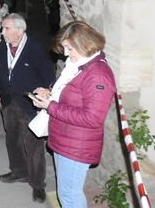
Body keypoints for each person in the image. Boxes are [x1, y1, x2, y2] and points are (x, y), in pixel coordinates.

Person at [31, 21, 116, 208]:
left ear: (84, 43)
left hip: (77, 144)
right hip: (65, 138)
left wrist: (50, 106)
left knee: (69, 195)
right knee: (65, 192)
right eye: (64, 48)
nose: (66, 53)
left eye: (69, 48)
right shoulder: (77, 66)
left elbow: (93, 118)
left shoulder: (98, 75)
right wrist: (49, 93)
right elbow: (68, 93)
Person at [0, 13, 55, 203]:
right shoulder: (3, 46)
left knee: (33, 144)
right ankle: (18, 171)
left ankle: (37, 184)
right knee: (12, 139)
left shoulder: (35, 49)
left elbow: (49, 77)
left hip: (29, 104)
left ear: (19, 30)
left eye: (6, 28)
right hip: (8, 101)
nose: (2, 32)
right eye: (2, 28)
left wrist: (47, 92)